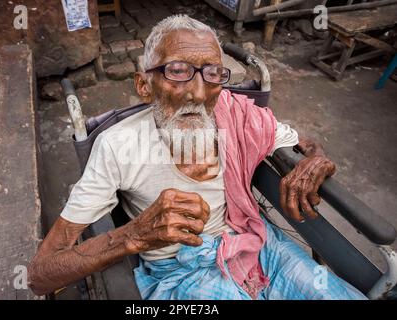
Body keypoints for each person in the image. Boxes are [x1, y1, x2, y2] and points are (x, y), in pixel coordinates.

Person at [28, 15, 366, 300]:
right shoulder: (118, 146)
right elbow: (39, 275)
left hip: (255, 243)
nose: (198, 93)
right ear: (144, 86)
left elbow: (302, 142)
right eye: (177, 71)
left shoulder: (237, 116)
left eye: (212, 74)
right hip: (180, 271)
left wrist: (317, 157)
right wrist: (134, 235)